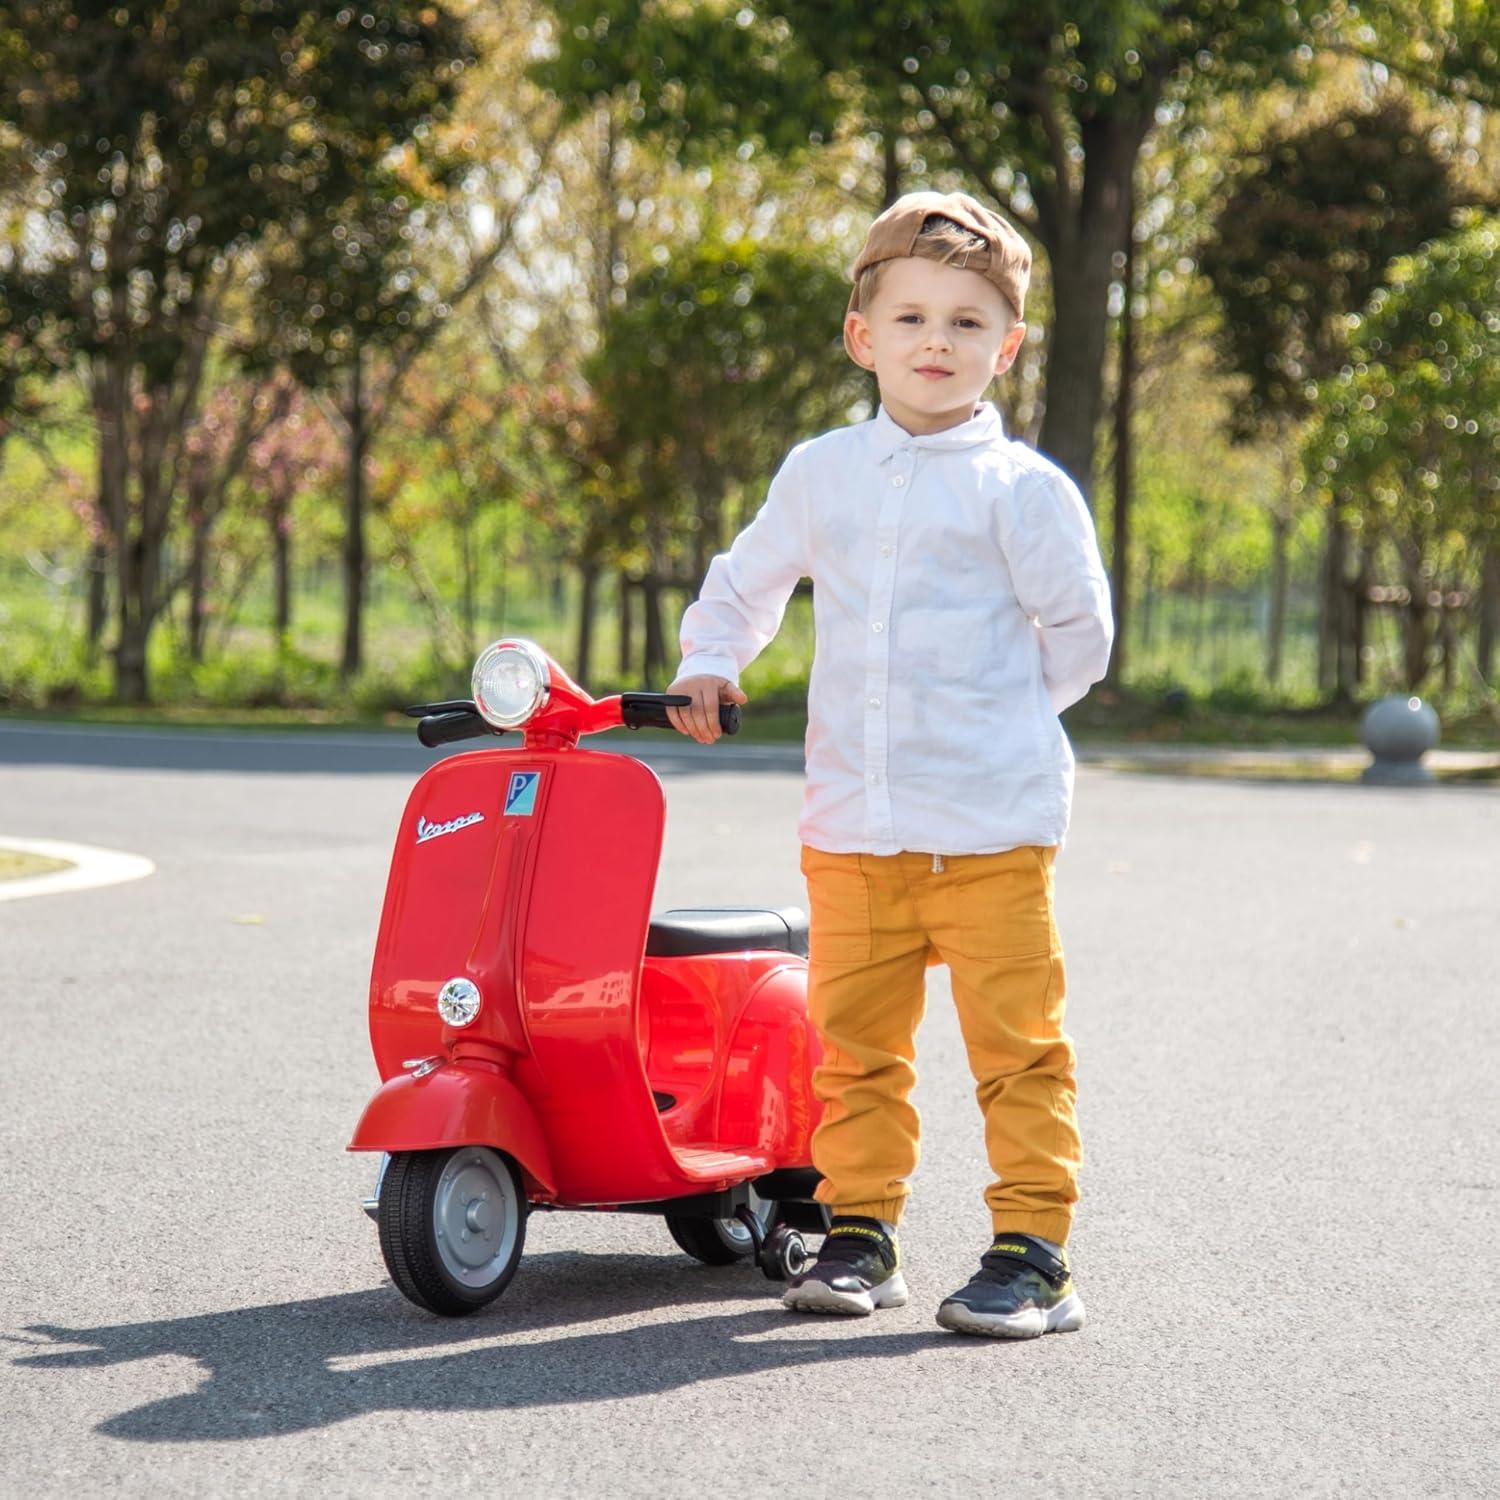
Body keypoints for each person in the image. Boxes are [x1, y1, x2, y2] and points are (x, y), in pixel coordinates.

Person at [665, 190, 1112, 1339]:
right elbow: (747, 582)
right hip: (854, 827)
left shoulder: (1024, 491)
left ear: (1007, 347)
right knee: (855, 1053)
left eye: (967, 322)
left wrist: (1003, 722)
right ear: (862, 336)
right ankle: (860, 1231)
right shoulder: (823, 472)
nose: (936, 342)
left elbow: (1080, 636)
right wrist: (710, 659)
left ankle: (1034, 1254)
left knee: (1017, 1052)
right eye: (911, 318)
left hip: (993, 831)